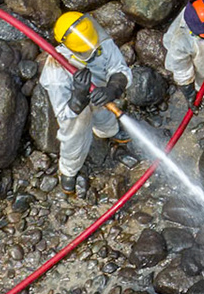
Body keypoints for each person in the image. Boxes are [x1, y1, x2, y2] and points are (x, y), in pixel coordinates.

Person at [38, 12, 136, 194]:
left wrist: (113, 89)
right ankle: (69, 170)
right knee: (75, 132)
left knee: (104, 110)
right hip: (75, 107)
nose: (93, 50)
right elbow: (64, 114)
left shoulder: (98, 40)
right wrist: (78, 97)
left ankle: (108, 131)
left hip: (100, 90)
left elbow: (119, 68)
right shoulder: (56, 71)